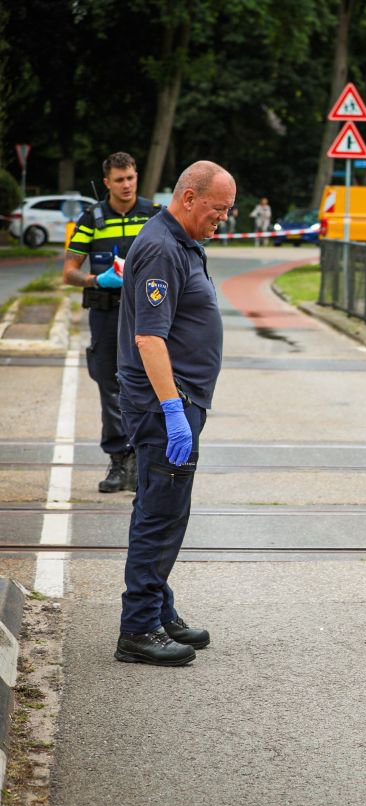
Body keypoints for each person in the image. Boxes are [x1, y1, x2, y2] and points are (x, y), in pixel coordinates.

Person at [113, 160, 235, 666]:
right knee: (160, 515)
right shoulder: (163, 248)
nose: (223, 218)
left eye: (227, 210)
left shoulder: (181, 241)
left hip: (179, 400)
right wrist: (171, 408)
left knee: (164, 509)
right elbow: (149, 337)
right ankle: (139, 627)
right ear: (188, 198)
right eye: (217, 208)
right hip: (165, 404)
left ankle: (158, 609)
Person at [63, 152, 161, 493]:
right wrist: (96, 280)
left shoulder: (154, 215)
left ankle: (143, 461)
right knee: (110, 387)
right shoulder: (91, 218)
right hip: (106, 313)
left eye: (131, 177)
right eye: (119, 180)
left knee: (149, 385)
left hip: (146, 314)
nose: (126, 185)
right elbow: (69, 272)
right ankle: (118, 461)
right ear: (107, 182)